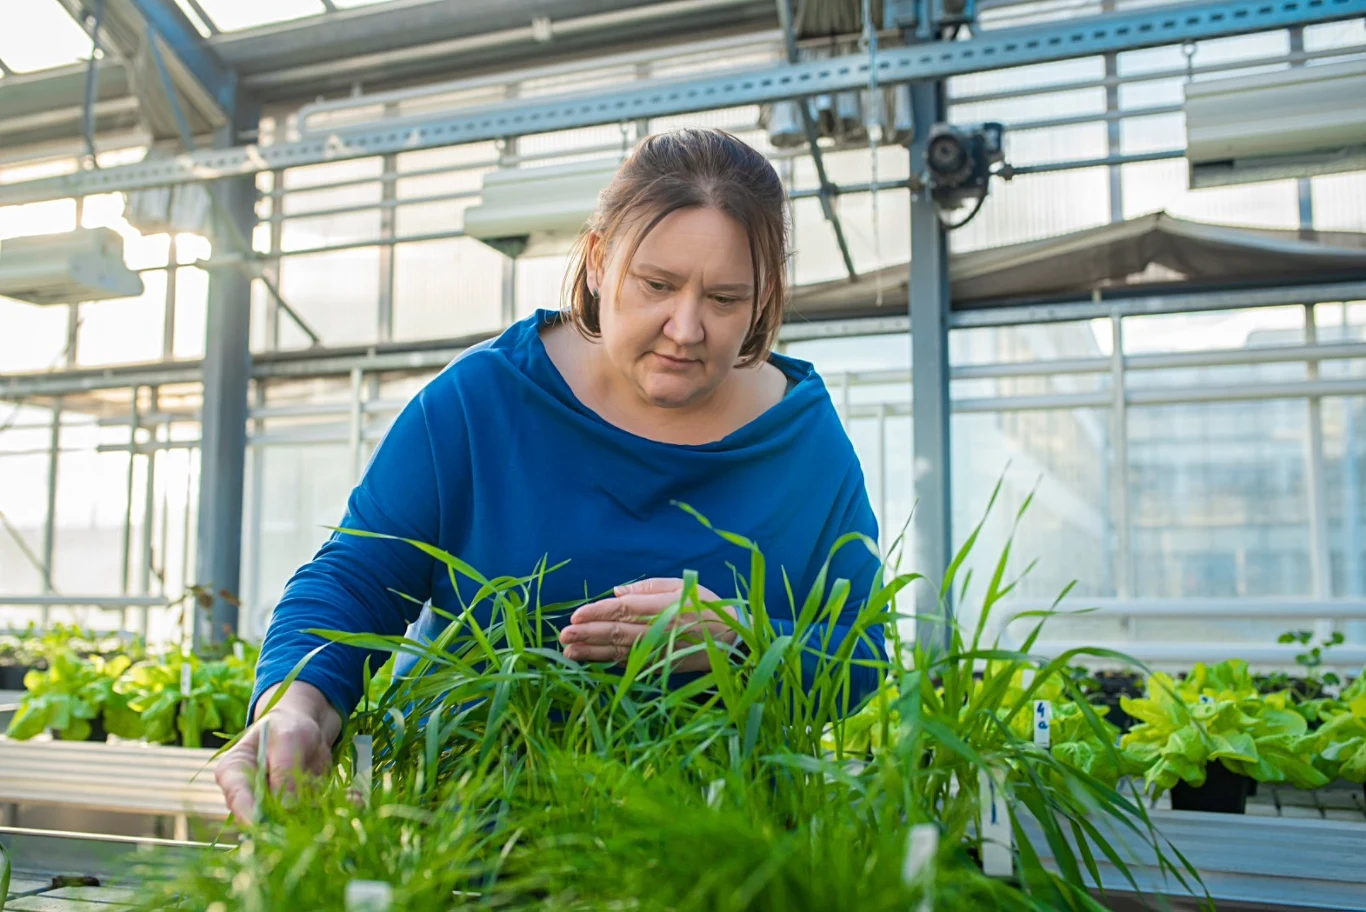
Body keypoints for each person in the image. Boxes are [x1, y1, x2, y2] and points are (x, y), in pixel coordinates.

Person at [215, 127, 887, 822]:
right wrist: (295, 703)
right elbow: (355, 577)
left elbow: (863, 656)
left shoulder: (804, 443)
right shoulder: (484, 401)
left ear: (762, 295)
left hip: (712, 852)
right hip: (473, 839)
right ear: (598, 261)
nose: (686, 328)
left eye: (724, 299)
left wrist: (739, 638)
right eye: (656, 285)